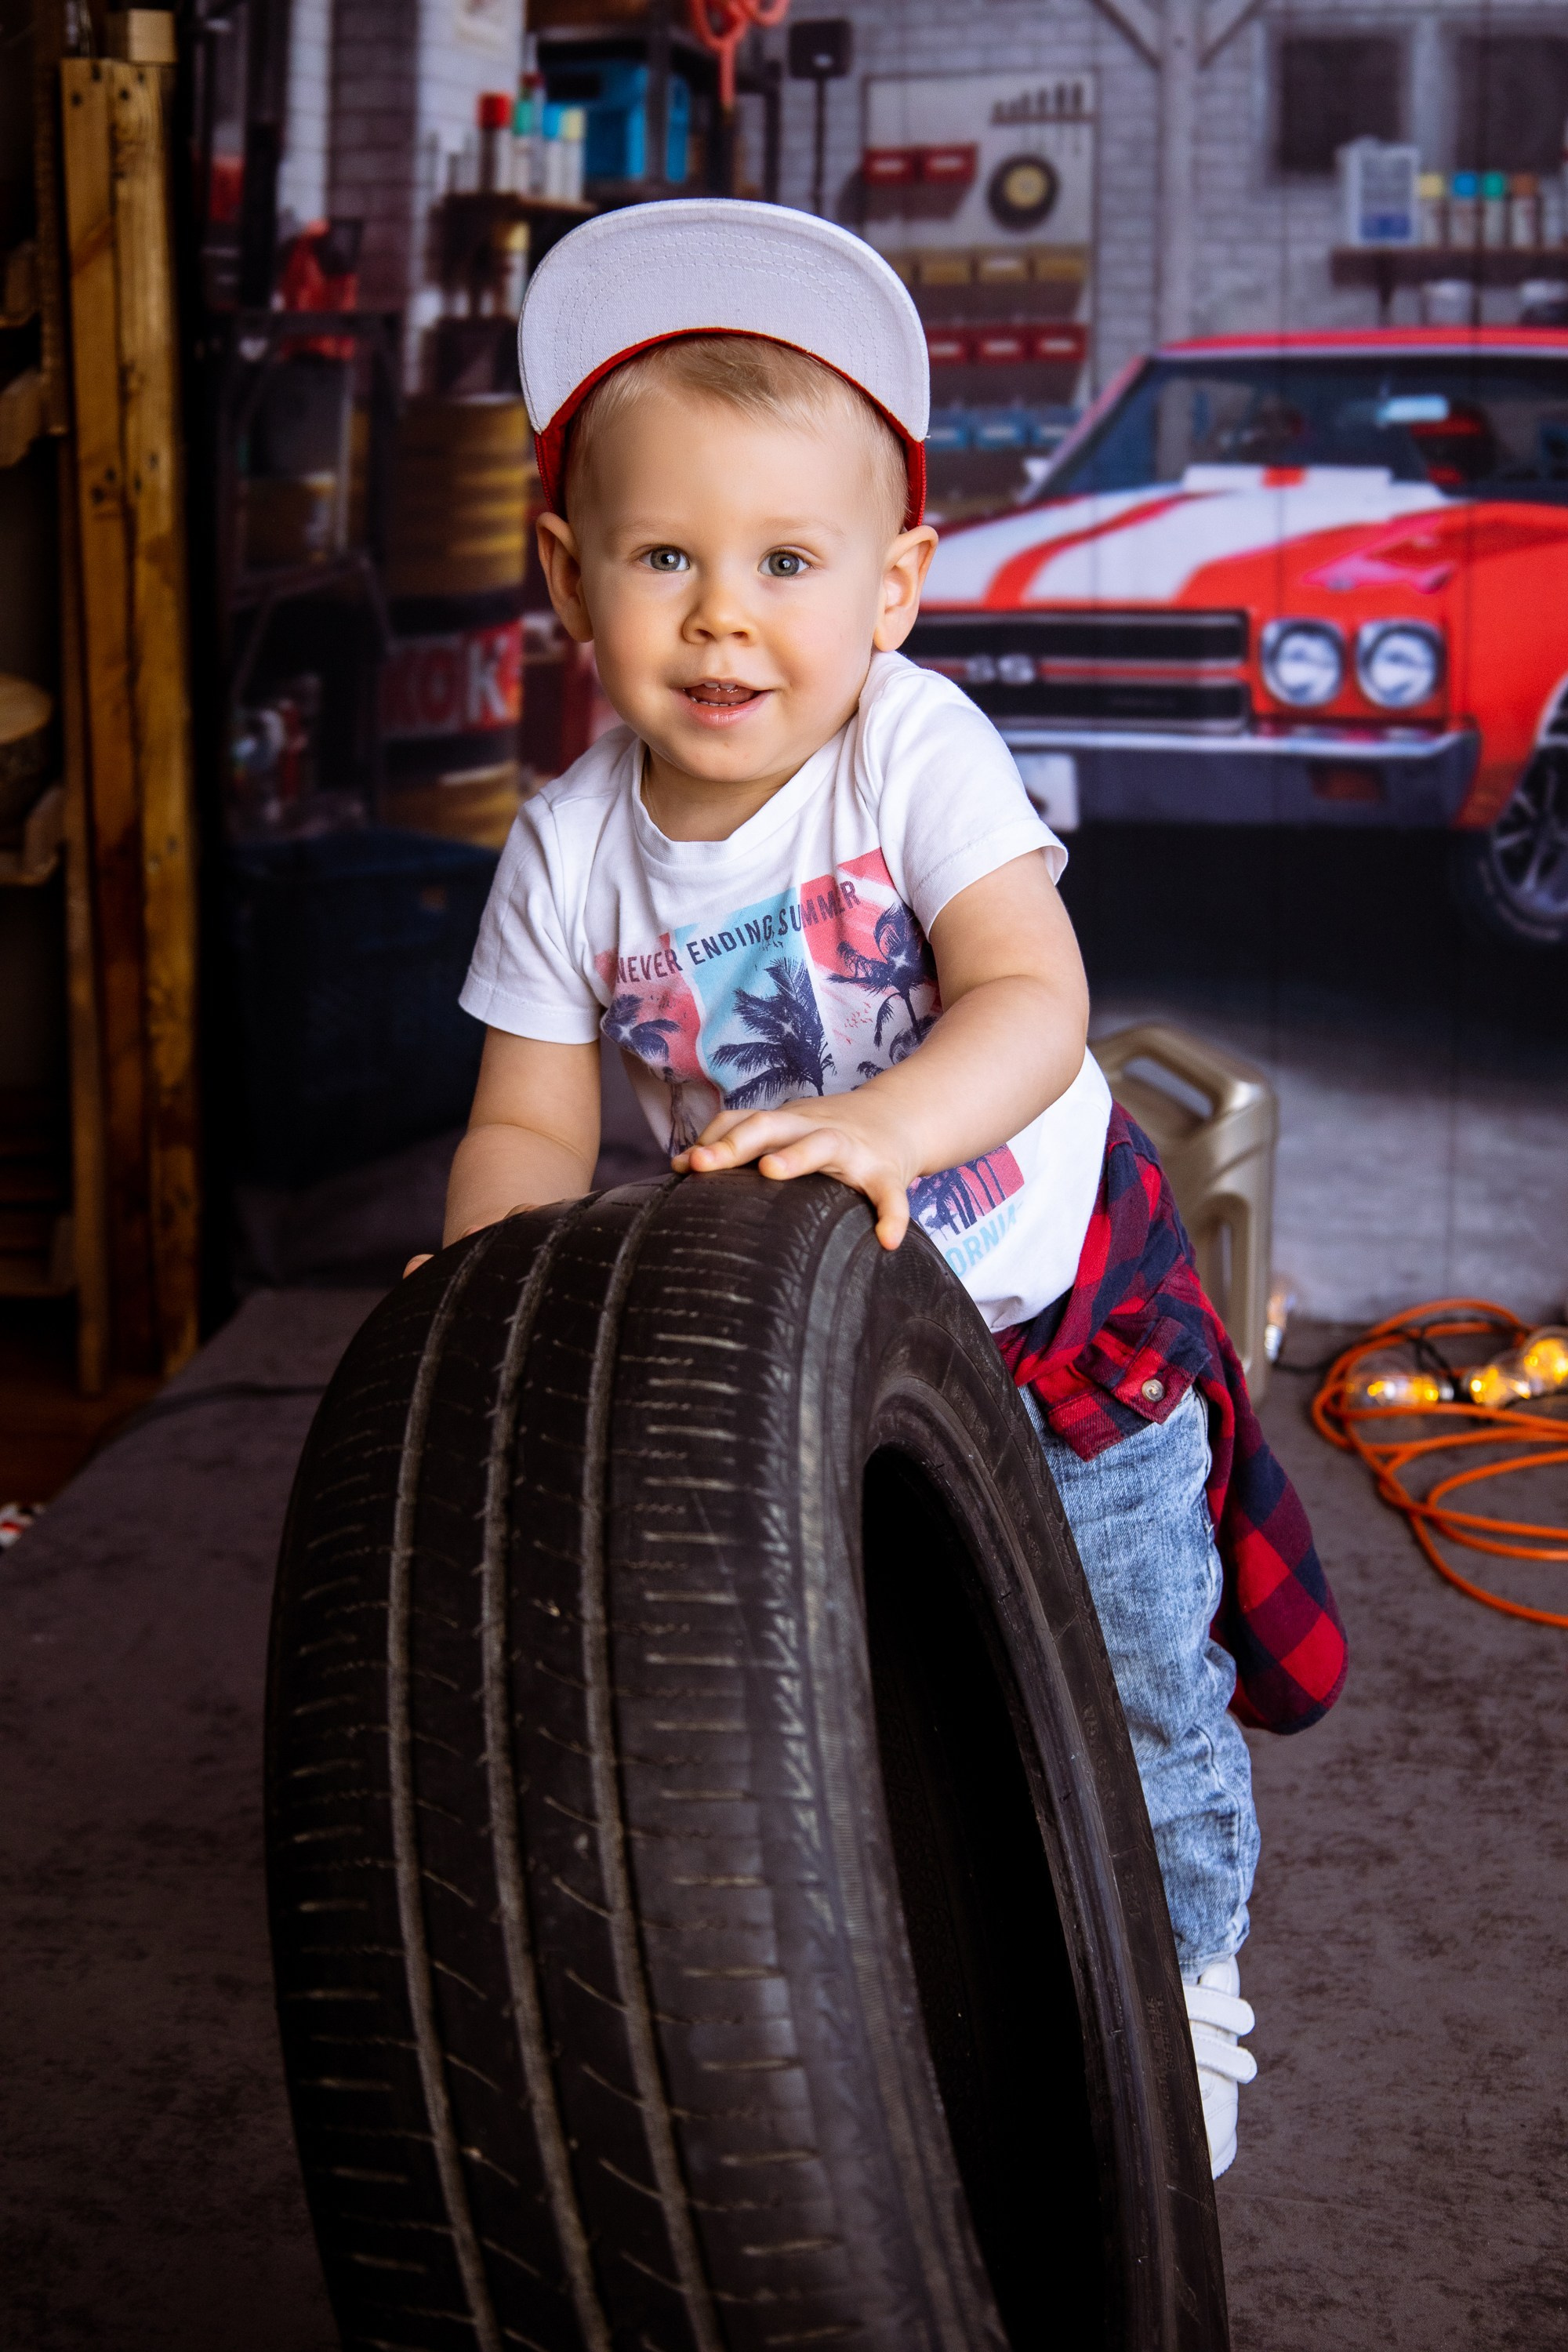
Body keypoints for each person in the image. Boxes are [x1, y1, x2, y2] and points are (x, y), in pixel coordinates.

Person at [438, 200, 1348, 2180]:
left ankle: (1183, 1985)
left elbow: (1035, 996)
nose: (721, 620)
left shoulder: (910, 753)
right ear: (565, 573)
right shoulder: (567, 844)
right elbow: (527, 1119)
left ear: (894, 586)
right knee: (823, 1659)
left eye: (785, 563)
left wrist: (890, 1123)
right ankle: (886, 1976)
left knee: (1128, 1662)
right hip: (795, 1337)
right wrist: (489, 1282)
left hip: (1040, 1310)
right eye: (666, 558)